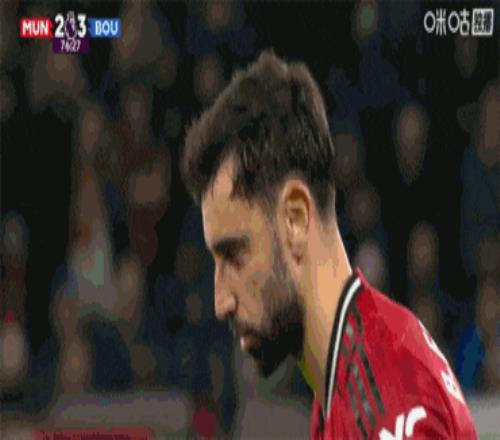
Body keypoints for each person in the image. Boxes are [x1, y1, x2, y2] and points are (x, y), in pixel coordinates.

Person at [180, 51, 477, 439]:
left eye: (234, 253)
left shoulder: (384, 403)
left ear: (296, 218)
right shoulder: (351, 383)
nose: (221, 302)